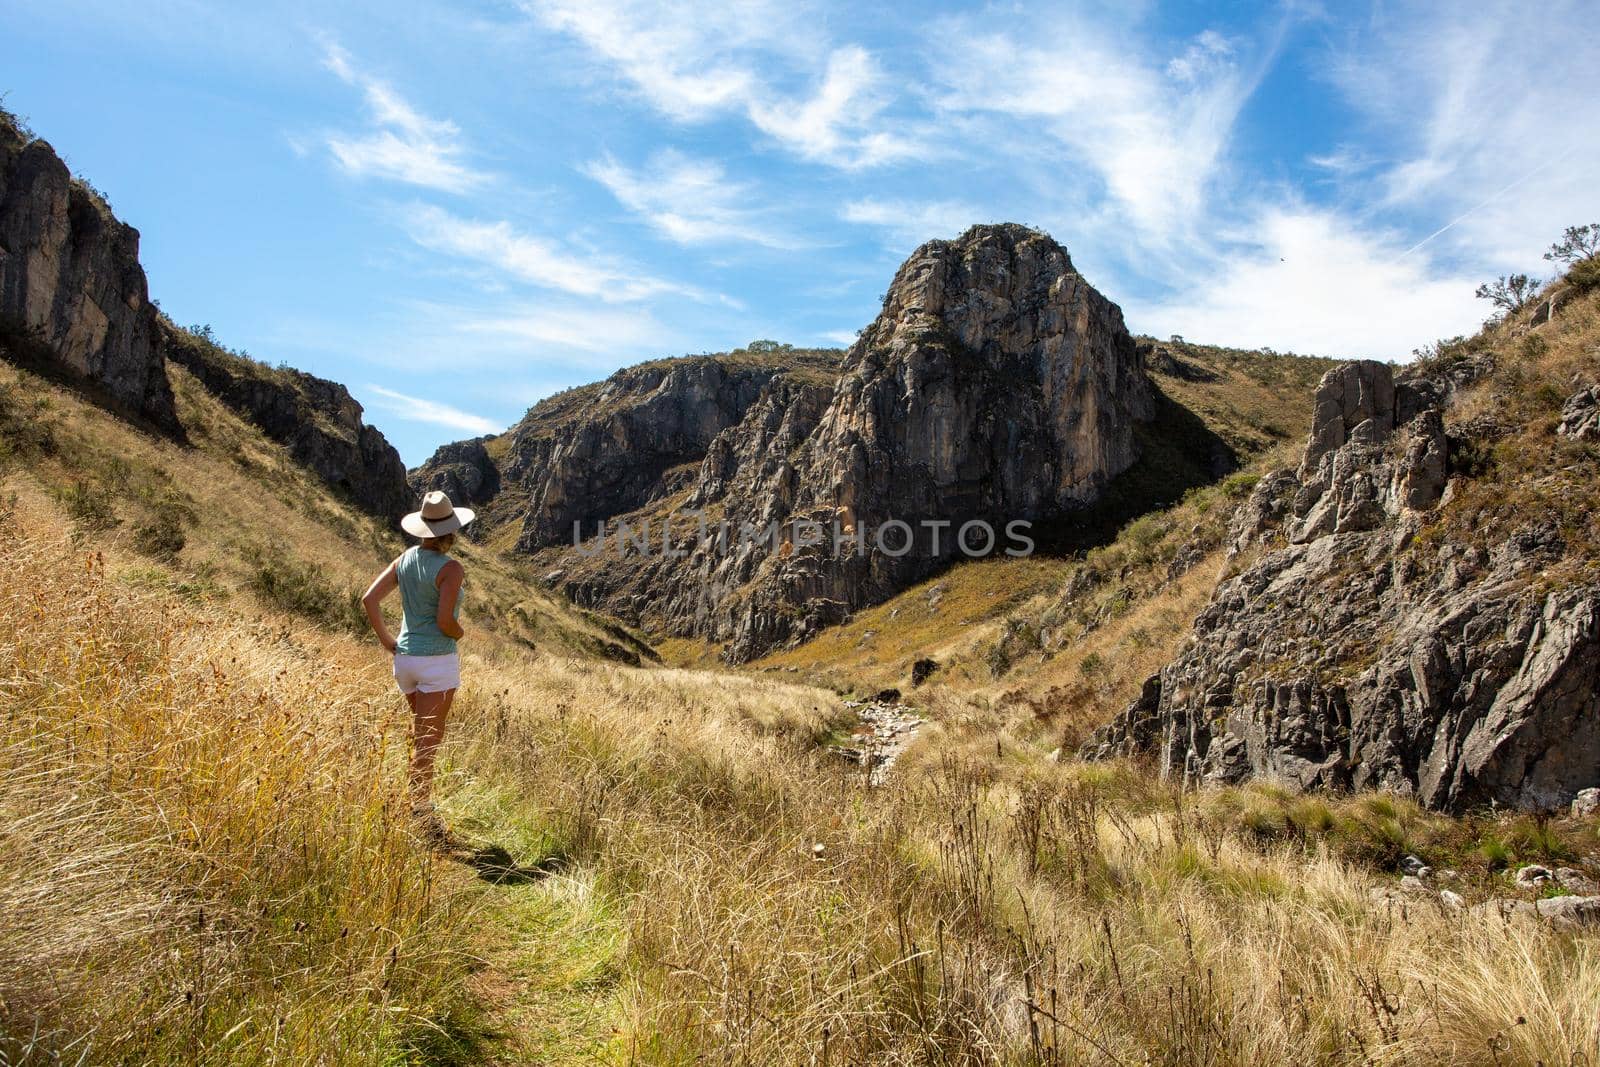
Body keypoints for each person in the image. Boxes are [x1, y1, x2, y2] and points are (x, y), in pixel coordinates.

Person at [362, 490, 473, 842]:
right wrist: (460, 631)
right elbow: (445, 623)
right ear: (450, 531)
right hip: (436, 661)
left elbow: (369, 600)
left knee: (419, 735)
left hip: (405, 659)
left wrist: (387, 641)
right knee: (428, 742)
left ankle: (415, 805)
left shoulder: (405, 559)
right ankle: (422, 818)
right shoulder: (451, 569)